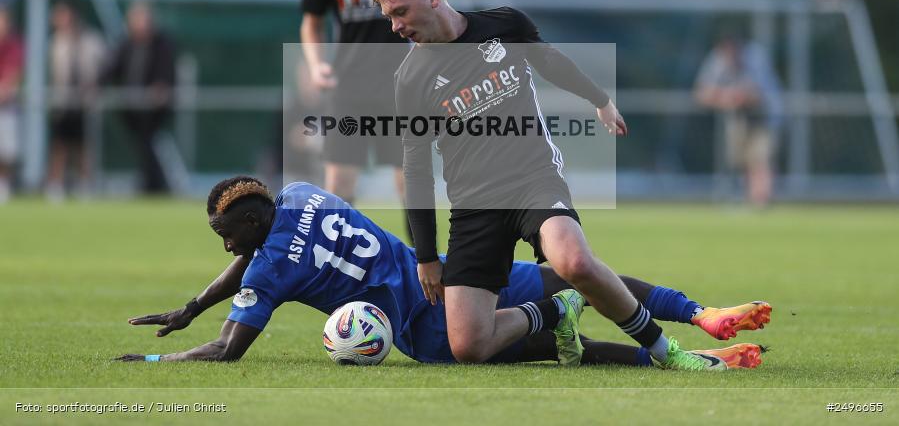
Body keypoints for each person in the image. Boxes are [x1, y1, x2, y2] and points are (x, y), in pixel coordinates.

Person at [365, 0, 725, 370]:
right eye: (389, 17)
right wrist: (426, 254)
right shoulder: (409, 78)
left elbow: (550, 61)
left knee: (573, 261)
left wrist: (600, 100)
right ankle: (556, 310)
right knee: (468, 346)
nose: (396, 27)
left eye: (400, 12)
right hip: (474, 205)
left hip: (532, 179)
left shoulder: (504, 25)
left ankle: (667, 353)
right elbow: (417, 166)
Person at [117, 177, 769, 368]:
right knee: (583, 274)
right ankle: (698, 316)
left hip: (427, 329)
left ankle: (564, 322)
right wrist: (192, 306)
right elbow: (249, 266)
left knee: (554, 339)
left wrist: (157, 365)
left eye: (226, 236)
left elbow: (231, 351)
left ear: (252, 226)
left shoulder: (274, 268)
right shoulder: (299, 193)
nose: (225, 250)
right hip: (456, 274)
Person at [299, 0, 418, 239]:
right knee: (339, 186)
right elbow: (312, 23)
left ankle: (424, 268)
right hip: (347, 86)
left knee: (411, 184)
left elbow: (432, 7)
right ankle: (340, 271)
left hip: (401, 84)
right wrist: (317, 65)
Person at [694, 31, 783, 207]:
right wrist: (725, 97)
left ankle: (762, 200)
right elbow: (701, 93)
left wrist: (732, 96)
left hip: (765, 116)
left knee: (761, 159)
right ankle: (752, 199)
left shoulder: (755, 58)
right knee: (742, 160)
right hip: (739, 118)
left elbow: (756, 95)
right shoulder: (717, 59)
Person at [101, 1, 176, 194]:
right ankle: (152, 183)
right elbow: (111, 69)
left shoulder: (162, 44)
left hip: (154, 110)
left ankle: (154, 184)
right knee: (144, 146)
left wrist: (161, 87)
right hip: (132, 108)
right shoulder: (125, 44)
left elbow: (167, 73)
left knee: (148, 143)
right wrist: (97, 85)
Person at [46, 0, 106, 201]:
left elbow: (105, 66)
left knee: (83, 145)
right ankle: (55, 185)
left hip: (84, 102)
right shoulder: (56, 42)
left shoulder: (91, 40)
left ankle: (85, 184)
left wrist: (94, 85)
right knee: (59, 144)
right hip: (62, 101)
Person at [0, 6, 23, 203]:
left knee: (7, 150)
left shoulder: (14, 45)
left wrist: (4, 90)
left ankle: (4, 185)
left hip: (6, 105)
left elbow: (15, 73)